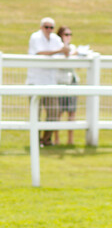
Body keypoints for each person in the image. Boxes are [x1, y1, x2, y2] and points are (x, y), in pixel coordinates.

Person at [25, 17, 70, 147]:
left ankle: (45, 139)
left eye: (51, 27)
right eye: (46, 27)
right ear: (41, 27)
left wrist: (66, 46)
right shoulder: (35, 37)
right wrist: (60, 51)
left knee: (54, 112)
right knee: (36, 114)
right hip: (35, 81)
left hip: (51, 82)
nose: (49, 30)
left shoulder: (55, 39)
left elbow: (64, 53)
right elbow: (40, 53)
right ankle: (35, 140)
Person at [54, 26, 80, 146]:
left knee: (71, 112)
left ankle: (70, 140)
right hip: (60, 82)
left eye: (70, 34)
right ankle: (56, 139)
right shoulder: (56, 48)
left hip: (72, 81)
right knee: (58, 111)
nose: (68, 36)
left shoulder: (73, 47)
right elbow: (61, 64)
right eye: (66, 34)